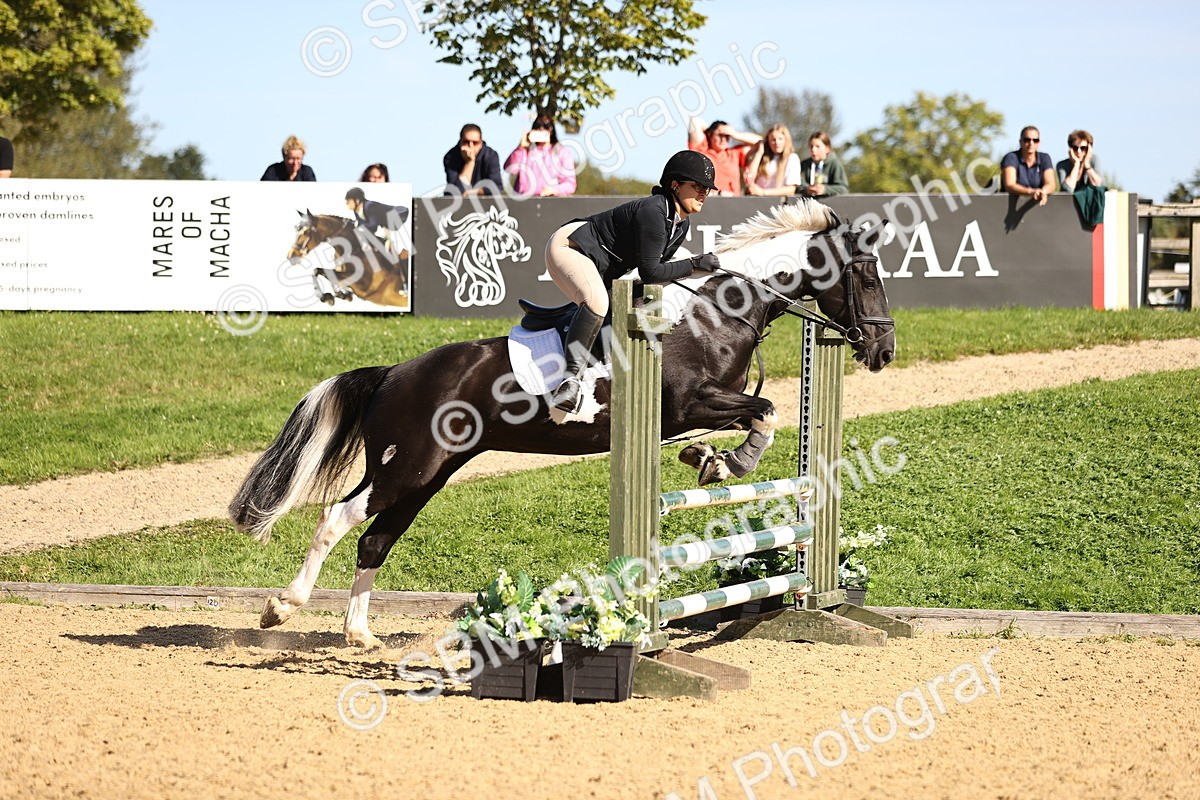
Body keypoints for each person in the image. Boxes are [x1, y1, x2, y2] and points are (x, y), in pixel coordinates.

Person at [543, 150, 721, 413]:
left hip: (600, 263)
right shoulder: (654, 210)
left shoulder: (681, 224)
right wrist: (694, 264)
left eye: (707, 188)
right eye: (697, 186)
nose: (703, 193)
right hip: (571, 246)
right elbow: (651, 271)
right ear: (675, 184)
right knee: (597, 301)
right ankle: (569, 381)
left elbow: (659, 273)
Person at [504, 114, 577, 197]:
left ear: (551, 129)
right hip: (523, 201)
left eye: (546, 126)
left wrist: (554, 190)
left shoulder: (562, 152)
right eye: (537, 126)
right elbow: (510, 169)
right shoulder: (525, 150)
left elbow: (570, 184)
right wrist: (520, 147)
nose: (541, 129)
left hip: (550, 202)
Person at [687, 117, 761, 195]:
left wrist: (734, 134)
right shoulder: (702, 151)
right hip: (710, 201)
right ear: (710, 134)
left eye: (727, 136)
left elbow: (761, 142)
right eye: (720, 135)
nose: (723, 139)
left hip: (732, 202)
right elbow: (694, 121)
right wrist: (712, 130)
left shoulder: (734, 153)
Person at [345, 187, 411, 263]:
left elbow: (373, 226)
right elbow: (361, 226)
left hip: (400, 220)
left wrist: (358, 228)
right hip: (386, 227)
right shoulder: (356, 211)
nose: (346, 203)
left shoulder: (370, 206)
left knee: (401, 254)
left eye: (348, 201)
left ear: (357, 200)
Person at [1001, 126, 1055, 206]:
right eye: (1027, 140)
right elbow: (1010, 185)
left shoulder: (1045, 158)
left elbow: (1051, 184)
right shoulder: (1011, 158)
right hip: (1007, 207)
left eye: (1035, 140)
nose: (1031, 143)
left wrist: (1043, 192)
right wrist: (1031, 192)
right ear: (1020, 142)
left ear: (1039, 142)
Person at [443, 123, 503, 196]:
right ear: (460, 142)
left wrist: (475, 192)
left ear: (481, 143)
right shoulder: (451, 157)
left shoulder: (491, 156)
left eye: (475, 143)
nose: (470, 146)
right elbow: (456, 192)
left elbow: (496, 187)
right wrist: (470, 162)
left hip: (484, 203)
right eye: (466, 142)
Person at [744, 124, 801, 196]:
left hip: (776, 202)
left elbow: (791, 189)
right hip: (757, 202)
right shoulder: (763, 157)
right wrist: (759, 152)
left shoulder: (792, 158)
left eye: (780, 139)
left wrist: (763, 192)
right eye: (773, 140)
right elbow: (750, 178)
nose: (777, 142)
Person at [797, 131, 849, 198]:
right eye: (811, 146)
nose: (813, 149)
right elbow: (798, 185)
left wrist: (825, 190)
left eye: (817, 146)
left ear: (827, 148)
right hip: (808, 205)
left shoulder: (834, 164)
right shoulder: (805, 165)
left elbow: (843, 189)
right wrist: (808, 190)